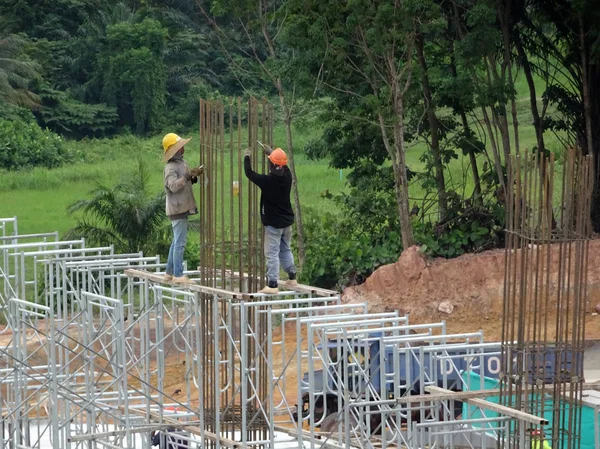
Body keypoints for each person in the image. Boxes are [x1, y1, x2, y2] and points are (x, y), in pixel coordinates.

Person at [244, 145, 297, 294]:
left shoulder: (267, 181)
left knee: (272, 252)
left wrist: (247, 157)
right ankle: (292, 276)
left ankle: (272, 284)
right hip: (287, 221)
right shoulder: (287, 177)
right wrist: (272, 152)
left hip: (274, 224)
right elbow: (283, 166)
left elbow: (249, 173)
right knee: (285, 248)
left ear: (272, 165)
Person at [162, 133, 203, 284]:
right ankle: (178, 275)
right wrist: (186, 176)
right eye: (180, 146)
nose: (183, 148)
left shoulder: (182, 163)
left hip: (182, 207)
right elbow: (173, 186)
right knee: (180, 243)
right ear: (175, 150)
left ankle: (168, 272)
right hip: (177, 209)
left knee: (176, 241)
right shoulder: (170, 168)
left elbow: (186, 181)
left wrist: (193, 176)